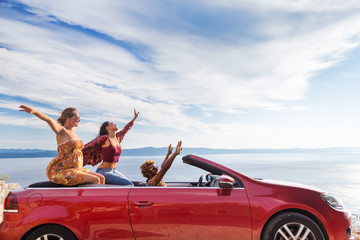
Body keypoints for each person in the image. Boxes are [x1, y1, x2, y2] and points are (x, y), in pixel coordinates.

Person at [19, 105, 105, 186]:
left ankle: (102, 201)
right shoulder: (61, 131)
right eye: (77, 118)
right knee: (96, 179)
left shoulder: (73, 132)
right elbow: (49, 120)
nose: (79, 120)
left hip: (76, 169)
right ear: (68, 117)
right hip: (63, 171)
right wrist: (34, 112)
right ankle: (92, 201)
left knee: (101, 178)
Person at [82, 109, 139, 185]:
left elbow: (126, 129)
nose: (115, 124)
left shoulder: (118, 138)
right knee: (129, 184)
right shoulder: (104, 138)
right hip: (103, 172)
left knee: (131, 184)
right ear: (107, 128)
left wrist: (134, 118)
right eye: (112, 123)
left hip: (113, 170)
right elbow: (86, 146)